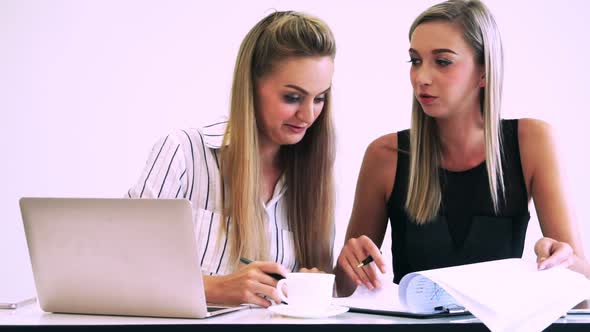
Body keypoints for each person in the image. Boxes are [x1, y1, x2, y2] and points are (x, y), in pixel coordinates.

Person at [335, 0, 590, 296]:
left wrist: (561, 263)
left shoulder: (532, 141)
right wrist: (350, 265)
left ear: (484, 73)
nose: (422, 77)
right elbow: (342, 291)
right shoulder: (385, 155)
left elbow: (583, 291)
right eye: (415, 60)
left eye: (442, 61)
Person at [128, 11, 336, 307]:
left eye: (319, 98)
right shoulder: (183, 154)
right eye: (292, 97)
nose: (308, 115)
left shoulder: (314, 181)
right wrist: (213, 288)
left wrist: (314, 285)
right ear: (250, 86)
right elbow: (121, 270)